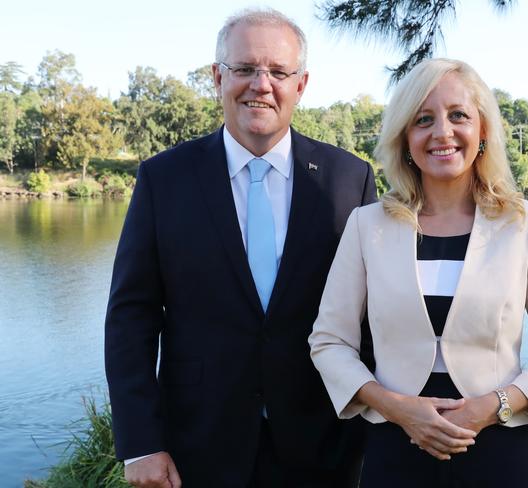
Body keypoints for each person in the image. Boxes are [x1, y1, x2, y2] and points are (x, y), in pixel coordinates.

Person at [105, 8, 376, 488]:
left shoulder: (348, 180)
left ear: (302, 84)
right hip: (197, 446)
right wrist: (141, 442)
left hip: (324, 446)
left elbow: (371, 319)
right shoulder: (163, 180)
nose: (261, 84)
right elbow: (131, 318)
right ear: (217, 77)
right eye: (245, 69)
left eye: (278, 71)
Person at [309, 58, 528, 487]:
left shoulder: (524, 223)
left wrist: (493, 407)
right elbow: (329, 342)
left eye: (458, 115)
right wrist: (394, 407)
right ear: (405, 139)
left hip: (498, 452)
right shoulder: (367, 226)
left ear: (483, 132)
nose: (442, 132)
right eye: (423, 119)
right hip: (395, 449)